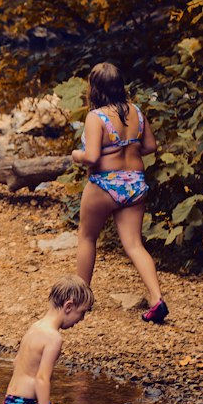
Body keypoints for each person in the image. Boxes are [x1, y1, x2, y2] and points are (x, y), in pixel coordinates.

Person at [70, 61, 167, 324]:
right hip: (134, 182)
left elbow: (91, 157)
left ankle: (81, 299)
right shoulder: (136, 111)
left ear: (94, 88)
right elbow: (150, 147)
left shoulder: (96, 116)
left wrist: (76, 155)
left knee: (87, 237)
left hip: (104, 184)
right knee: (134, 244)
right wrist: (126, 147)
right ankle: (156, 298)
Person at [0, 276, 94, 404]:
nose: (81, 319)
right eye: (82, 312)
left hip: (14, 403)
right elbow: (42, 378)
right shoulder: (53, 338)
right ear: (69, 306)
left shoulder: (36, 327)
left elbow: (17, 361)